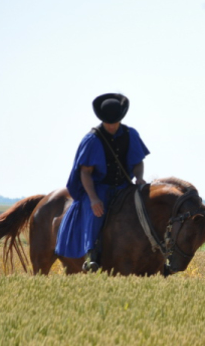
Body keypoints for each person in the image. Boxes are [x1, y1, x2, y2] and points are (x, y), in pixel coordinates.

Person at [55, 93, 150, 271]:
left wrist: (139, 177)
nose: (112, 125)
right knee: (96, 214)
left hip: (124, 185)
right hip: (98, 188)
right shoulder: (92, 140)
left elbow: (138, 161)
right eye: (108, 122)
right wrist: (93, 199)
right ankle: (91, 255)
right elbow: (85, 173)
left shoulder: (131, 134)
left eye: (115, 121)